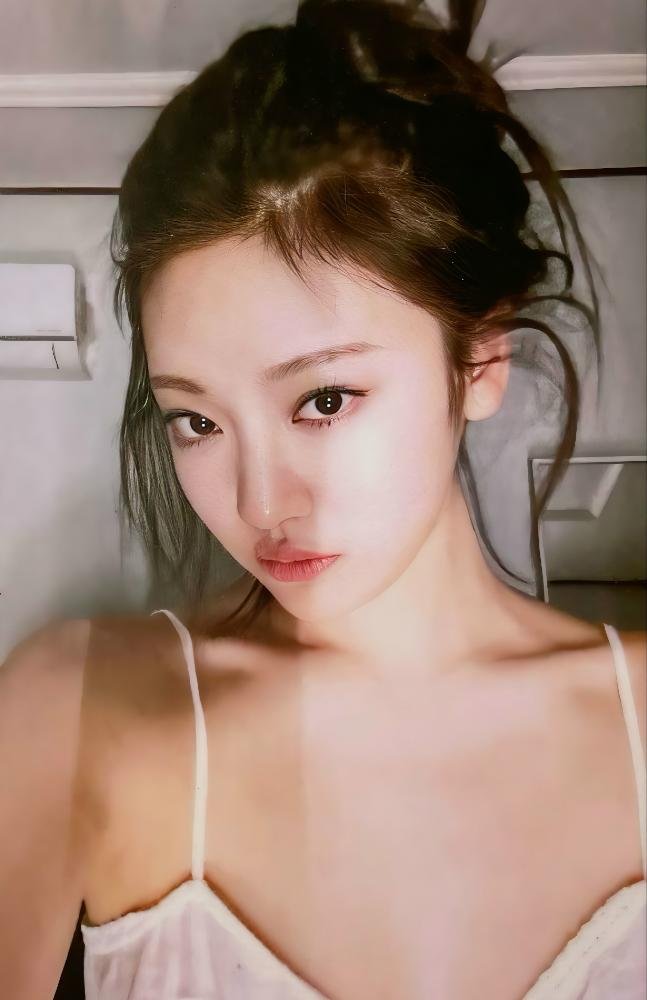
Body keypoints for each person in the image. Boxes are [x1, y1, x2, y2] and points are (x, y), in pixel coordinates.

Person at [1, 1, 645, 998]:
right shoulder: (76, 708)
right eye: (196, 420)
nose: (261, 502)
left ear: (479, 358)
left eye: (324, 399)